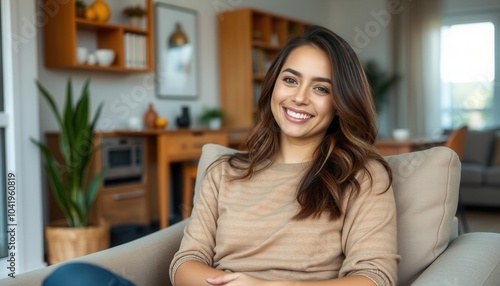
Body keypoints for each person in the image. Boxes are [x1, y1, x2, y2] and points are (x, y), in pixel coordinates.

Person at [170, 25, 400, 286]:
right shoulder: (223, 171)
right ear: (272, 86)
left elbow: (374, 278)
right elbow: (186, 263)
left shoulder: (361, 176)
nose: (299, 97)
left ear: (340, 103)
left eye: (321, 88)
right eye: (290, 80)